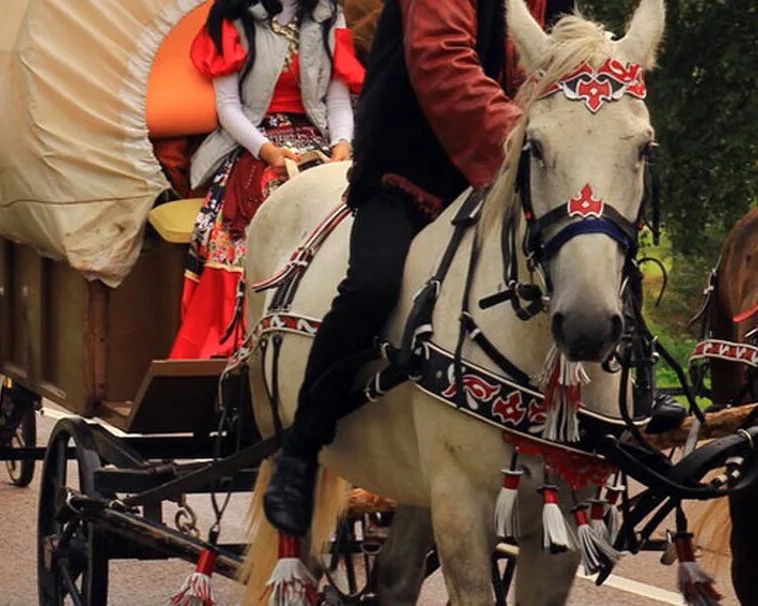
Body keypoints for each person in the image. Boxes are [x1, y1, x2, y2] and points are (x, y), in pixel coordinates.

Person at [262, 0, 573, 536]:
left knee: (588, 250)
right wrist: (525, 138)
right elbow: (442, 62)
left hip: (513, 172)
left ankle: (623, 393)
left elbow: (562, 66)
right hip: (412, 175)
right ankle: (301, 452)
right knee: (370, 287)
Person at [171, 0, 364, 360]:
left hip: (317, 137)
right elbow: (227, 106)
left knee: (352, 201)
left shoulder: (326, 13)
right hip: (253, 141)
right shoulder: (233, 15)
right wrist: (268, 151)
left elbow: (338, 99)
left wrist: (342, 144)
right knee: (261, 200)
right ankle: (242, 337)